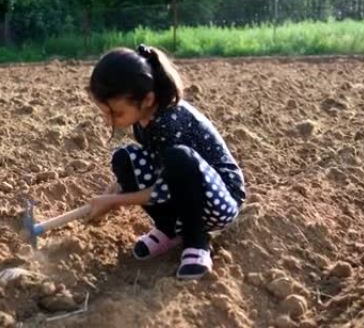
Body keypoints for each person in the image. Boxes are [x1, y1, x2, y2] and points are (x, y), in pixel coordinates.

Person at [86, 44, 246, 280]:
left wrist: (114, 201)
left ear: (147, 99)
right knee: (125, 159)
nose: (110, 119)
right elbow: (158, 170)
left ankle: (197, 242)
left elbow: (163, 189)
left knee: (178, 158)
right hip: (184, 192)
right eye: (105, 113)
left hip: (219, 200)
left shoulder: (169, 122)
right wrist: (110, 192)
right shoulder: (143, 120)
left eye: (116, 113)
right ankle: (170, 230)